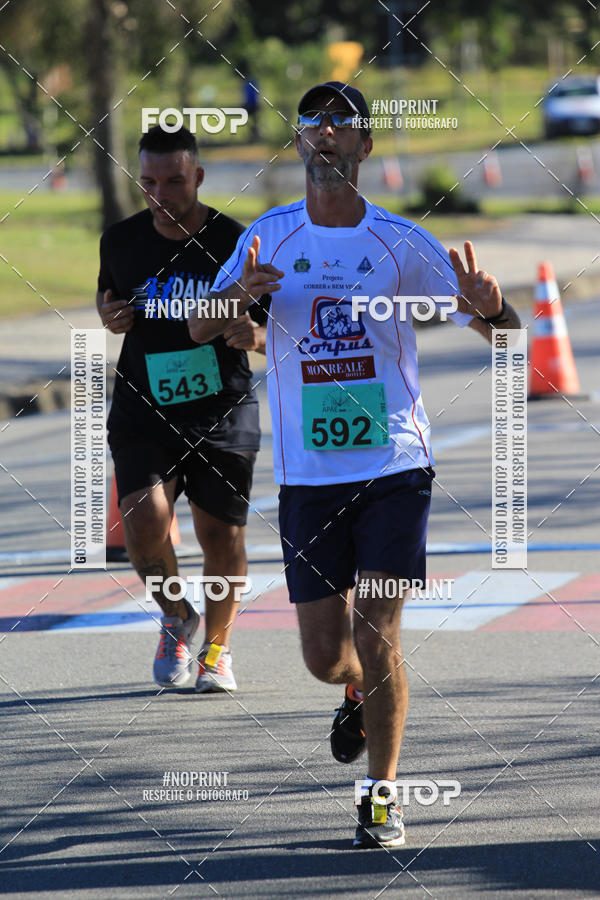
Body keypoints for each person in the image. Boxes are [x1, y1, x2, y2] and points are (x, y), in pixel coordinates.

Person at [189, 81, 521, 847]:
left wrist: (492, 306)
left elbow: (505, 339)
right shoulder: (268, 237)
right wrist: (239, 290)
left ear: (366, 146)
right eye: (312, 123)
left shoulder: (402, 245)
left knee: (378, 633)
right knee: (324, 655)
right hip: (309, 477)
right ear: (299, 142)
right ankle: (353, 694)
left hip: (394, 467)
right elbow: (203, 325)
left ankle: (383, 792)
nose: (326, 134)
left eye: (342, 124)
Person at [97, 125, 267, 693]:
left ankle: (216, 651)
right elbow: (111, 300)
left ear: (197, 175)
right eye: (148, 182)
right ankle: (177, 617)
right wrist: (110, 317)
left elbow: (275, 325)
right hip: (144, 405)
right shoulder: (119, 241)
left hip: (221, 408)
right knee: (145, 524)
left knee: (221, 537)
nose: (160, 193)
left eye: (173, 180)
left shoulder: (237, 241)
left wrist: (255, 334)